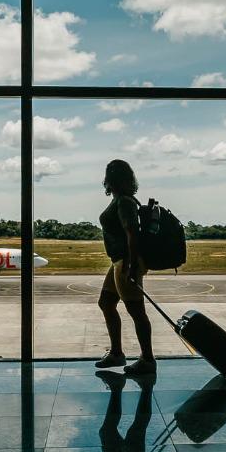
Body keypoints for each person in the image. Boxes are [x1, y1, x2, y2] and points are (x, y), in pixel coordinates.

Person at [97, 159, 156, 376]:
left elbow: (132, 235)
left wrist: (131, 266)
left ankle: (147, 359)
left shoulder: (124, 202)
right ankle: (116, 353)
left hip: (125, 261)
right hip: (118, 261)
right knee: (106, 302)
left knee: (136, 311)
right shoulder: (120, 201)